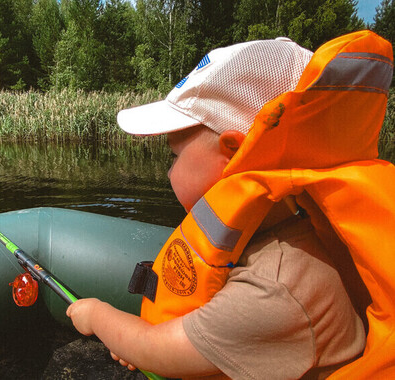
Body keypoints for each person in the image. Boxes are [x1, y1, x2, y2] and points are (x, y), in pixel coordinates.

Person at [67, 31, 394, 379]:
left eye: (174, 155)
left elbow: (154, 347)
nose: (168, 171)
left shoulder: (279, 286)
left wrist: (97, 315)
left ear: (234, 152)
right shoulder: (290, 231)